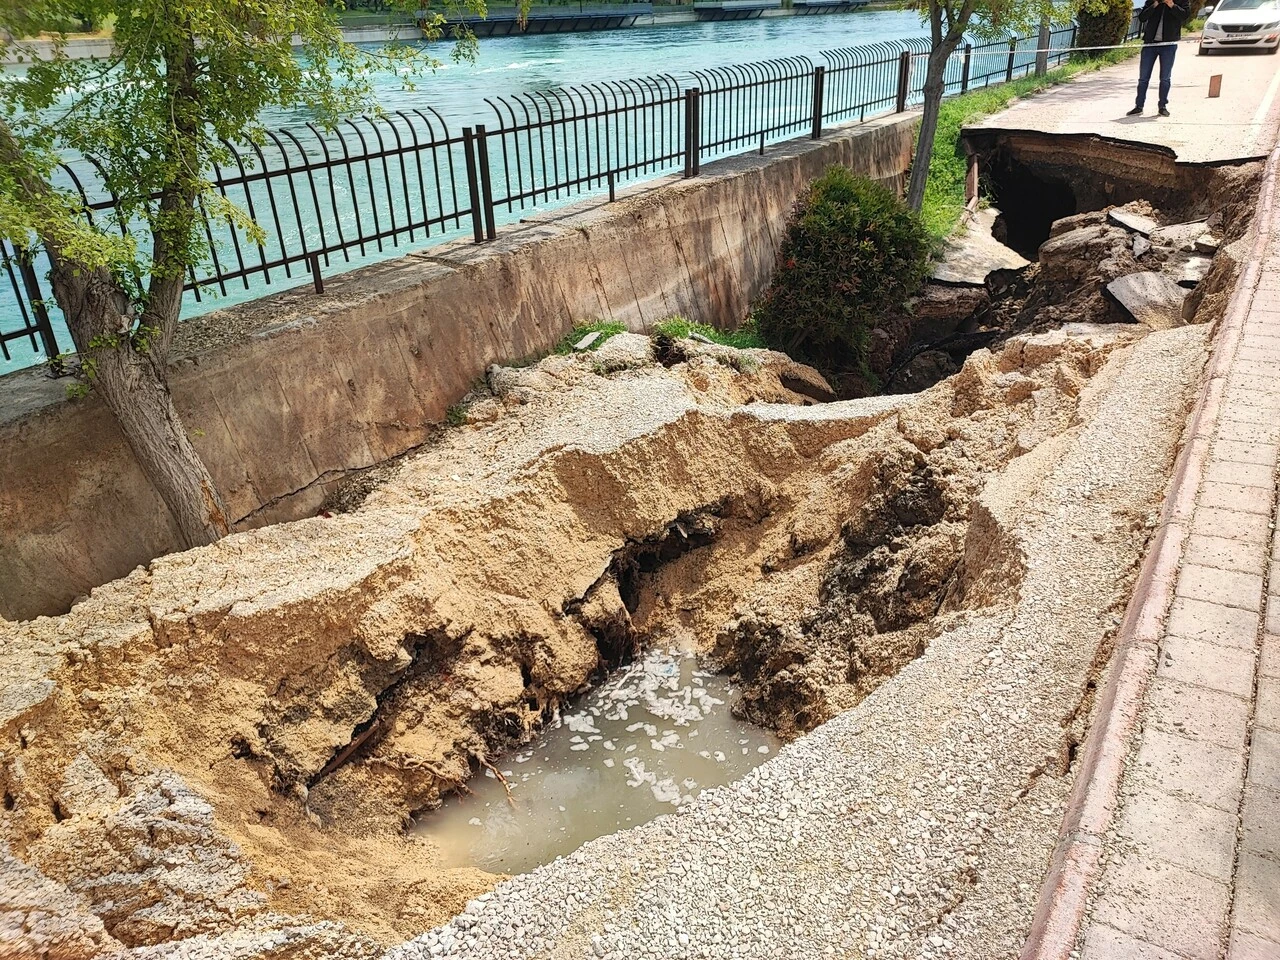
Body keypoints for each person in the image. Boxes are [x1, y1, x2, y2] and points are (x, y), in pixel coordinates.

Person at [1129, 0, 1192, 117]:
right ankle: (1139, 106)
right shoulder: (1152, 1)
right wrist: (1155, 5)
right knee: (1143, 78)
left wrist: (1172, 5)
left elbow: (1185, 15)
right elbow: (1142, 17)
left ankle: (1162, 106)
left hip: (1168, 44)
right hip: (1149, 44)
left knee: (1165, 78)